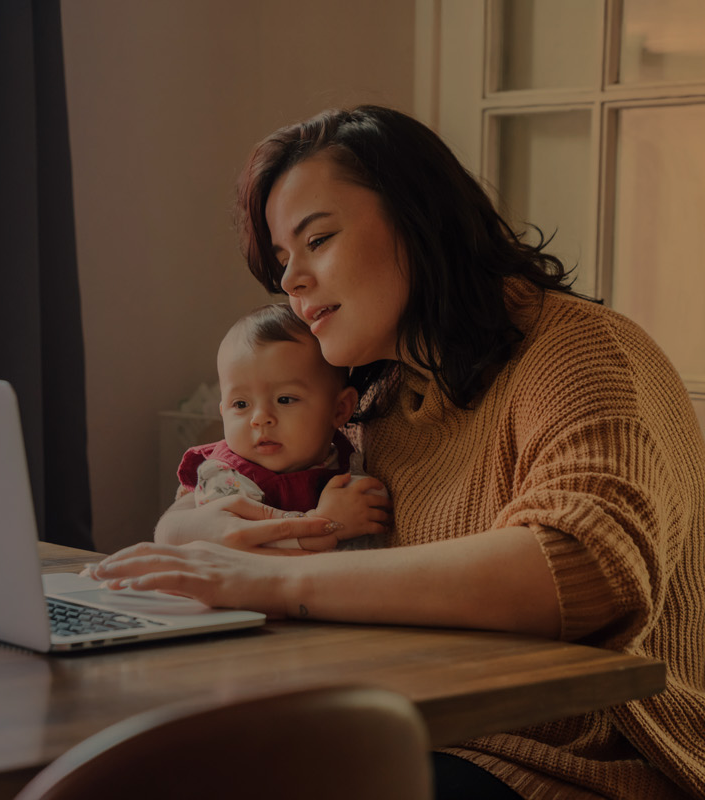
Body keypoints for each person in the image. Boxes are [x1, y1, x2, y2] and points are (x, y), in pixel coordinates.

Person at [88, 106, 705, 798]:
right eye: (283, 260)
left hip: (580, 764)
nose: (291, 280)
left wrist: (271, 582)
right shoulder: (380, 401)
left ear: (420, 220)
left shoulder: (582, 352)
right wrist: (189, 531)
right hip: (419, 726)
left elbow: (582, 565)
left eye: (316, 239)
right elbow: (212, 497)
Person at [178, 303, 388, 550]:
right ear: (223, 412)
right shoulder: (228, 479)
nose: (260, 418)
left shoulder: (342, 461)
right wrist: (328, 523)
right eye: (241, 403)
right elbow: (240, 547)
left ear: (340, 409)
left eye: (285, 399)